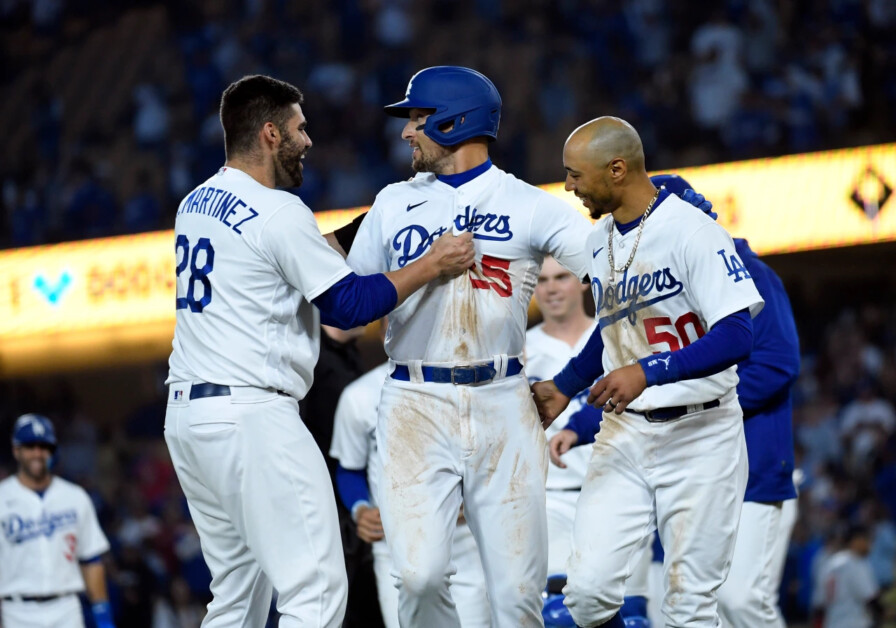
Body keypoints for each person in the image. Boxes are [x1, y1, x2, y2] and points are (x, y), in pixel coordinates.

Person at [163, 74, 474, 628]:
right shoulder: (279, 212)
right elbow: (347, 306)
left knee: (235, 598)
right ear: (269, 134)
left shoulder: (197, 203)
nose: (308, 140)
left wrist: (372, 225)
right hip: (254, 419)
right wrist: (431, 264)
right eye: (299, 128)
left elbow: (289, 255)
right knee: (317, 589)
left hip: (192, 419)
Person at [346, 65, 593, 627]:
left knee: (516, 597)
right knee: (418, 576)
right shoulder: (390, 202)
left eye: (417, 118)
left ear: (456, 121)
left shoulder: (530, 203)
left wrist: (574, 378)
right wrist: (425, 266)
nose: (407, 132)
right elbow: (347, 305)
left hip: (504, 400)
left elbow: (613, 279)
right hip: (414, 399)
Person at [532, 116, 764, 628]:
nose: (569, 186)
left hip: (702, 433)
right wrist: (563, 386)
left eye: (575, 174)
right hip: (627, 432)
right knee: (587, 594)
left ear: (617, 169)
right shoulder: (598, 241)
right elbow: (614, 330)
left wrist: (650, 370)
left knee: (688, 606)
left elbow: (737, 335)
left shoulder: (694, 232)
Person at [330, 323, 491, 628]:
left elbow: (492, 457)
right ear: (382, 334)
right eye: (397, 325)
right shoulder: (359, 395)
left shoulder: (468, 385)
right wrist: (359, 508)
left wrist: (473, 494)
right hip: (394, 544)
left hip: (463, 542)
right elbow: (349, 468)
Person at [0, 414, 115, 628]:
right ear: (16, 450)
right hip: (16, 611)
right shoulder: (2, 497)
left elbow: (90, 560)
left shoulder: (75, 496)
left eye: (43, 446)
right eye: (30, 446)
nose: (37, 452)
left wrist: (103, 616)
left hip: (66, 608)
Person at [811, 526, 881, 628]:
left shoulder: (830, 562)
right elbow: (870, 598)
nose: (870, 544)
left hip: (832, 623)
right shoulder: (855, 562)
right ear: (856, 540)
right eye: (867, 539)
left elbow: (819, 603)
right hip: (854, 623)